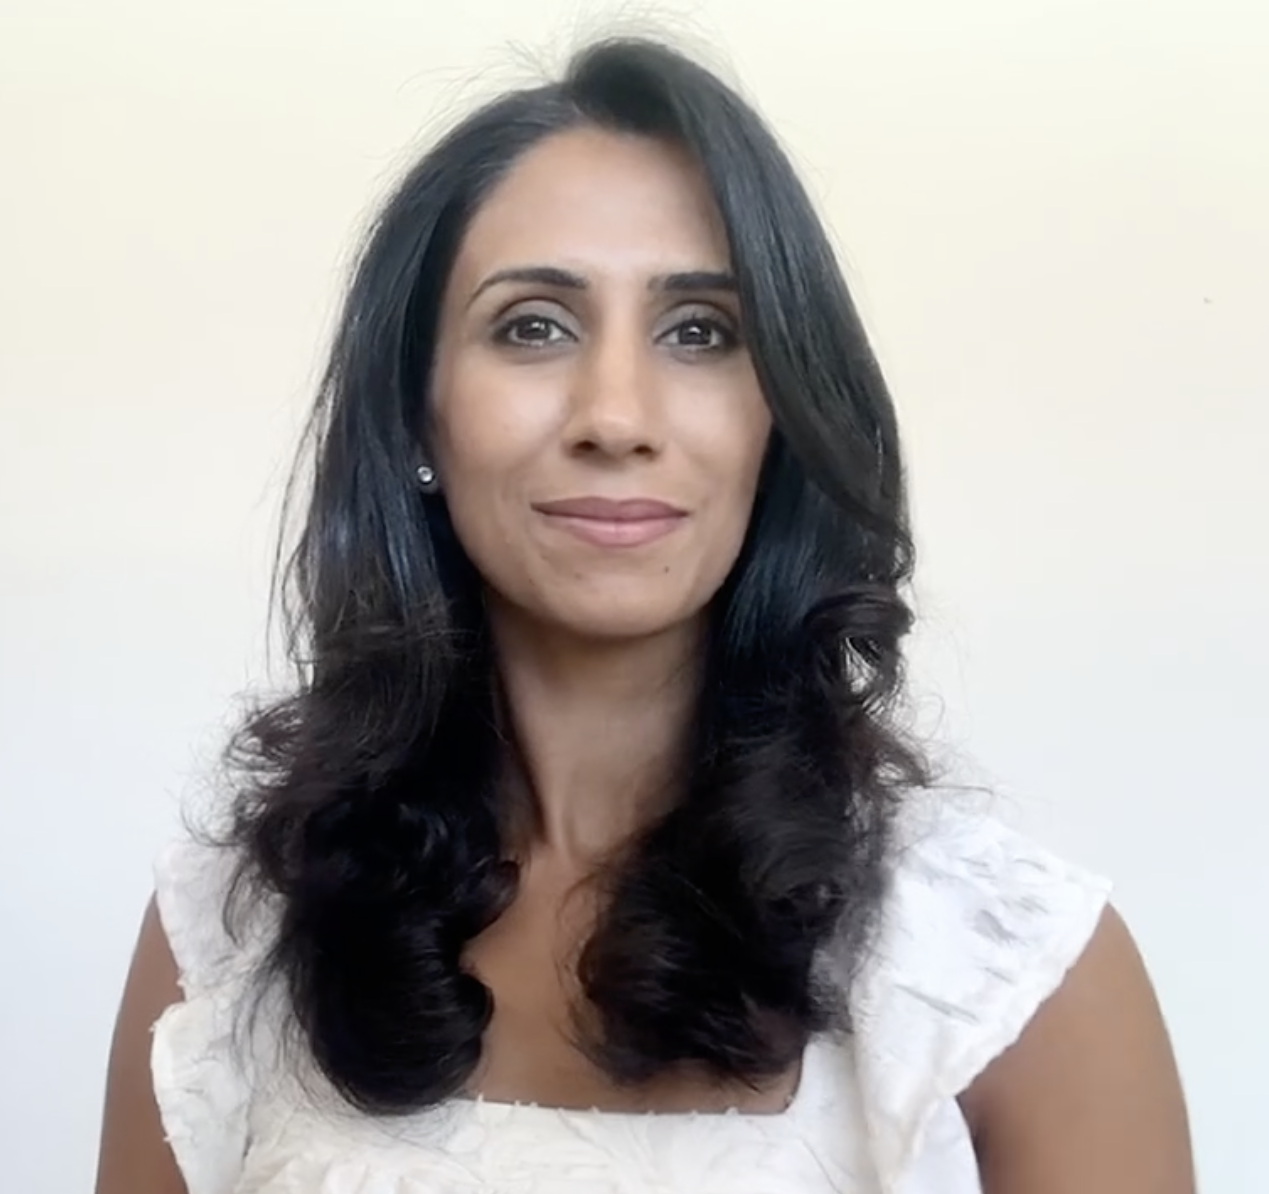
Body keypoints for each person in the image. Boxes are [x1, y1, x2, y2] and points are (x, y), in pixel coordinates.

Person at [94, 36, 1194, 1194]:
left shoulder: (1009, 976)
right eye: (533, 326)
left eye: (701, 332)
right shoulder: (229, 938)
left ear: (783, 414)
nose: (616, 417)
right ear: (418, 414)